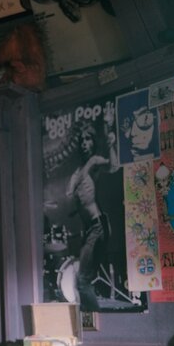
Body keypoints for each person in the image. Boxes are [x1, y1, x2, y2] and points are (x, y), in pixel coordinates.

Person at [66, 122, 118, 312]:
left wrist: (111, 144)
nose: (84, 143)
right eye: (81, 140)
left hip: (98, 226)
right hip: (90, 229)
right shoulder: (80, 170)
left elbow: (114, 166)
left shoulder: (94, 162)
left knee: (82, 281)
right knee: (83, 280)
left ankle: (93, 318)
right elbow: (69, 193)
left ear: (93, 142)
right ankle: (92, 316)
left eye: (88, 139)